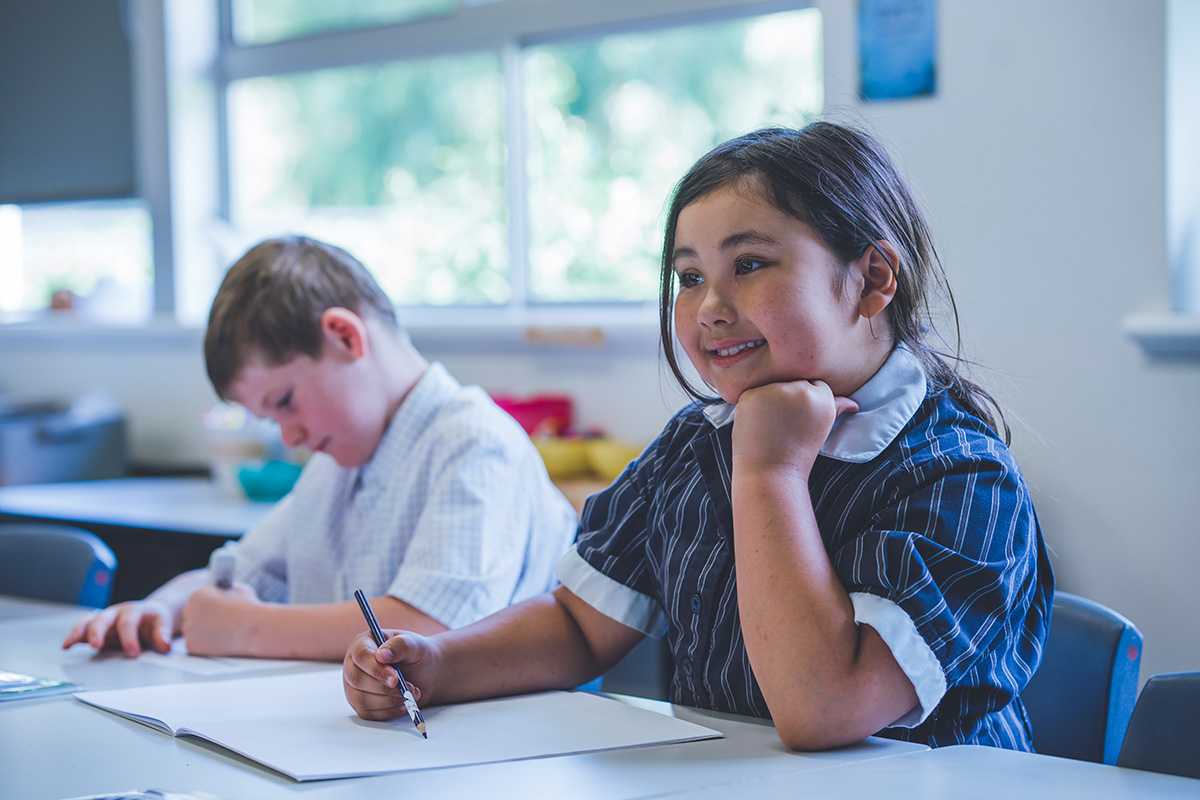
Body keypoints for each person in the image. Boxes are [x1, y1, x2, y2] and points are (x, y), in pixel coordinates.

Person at [342, 123, 1054, 751]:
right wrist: (441, 664)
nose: (710, 308)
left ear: (871, 279)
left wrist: (770, 471)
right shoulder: (694, 444)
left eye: (748, 265)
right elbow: (582, 625)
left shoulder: (960, 479)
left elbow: (823, 709)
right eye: (688, 276)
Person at [62, 236, 578, 660]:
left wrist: (248, 630)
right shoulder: (337, 465)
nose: (289, 438)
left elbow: (427, 630)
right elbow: (240, 573)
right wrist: (166, 607)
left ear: (345, 337)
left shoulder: (474, 444)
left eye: (286, 401)